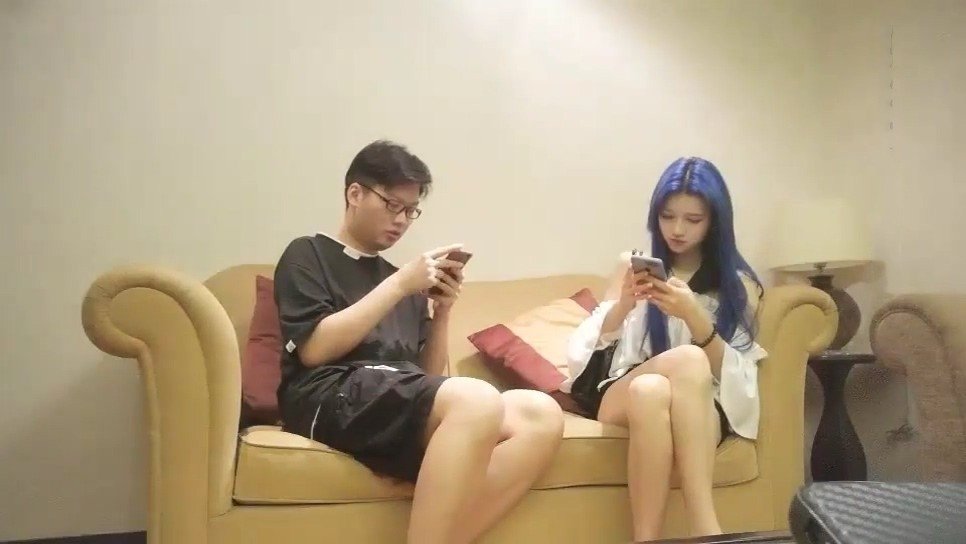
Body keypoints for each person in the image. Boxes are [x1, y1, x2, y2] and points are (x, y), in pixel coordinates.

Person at [274, 140, 564, 544]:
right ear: (354, 194)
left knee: (540, 413)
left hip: (393, 398)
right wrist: (398, 285)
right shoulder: (308, 254)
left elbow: (428, 378)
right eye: (392, 205)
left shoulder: (406, 280)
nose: (402, 221)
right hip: (329, 393)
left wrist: (441, 311)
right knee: (477, 399)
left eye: (410, 211)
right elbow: (314, 350)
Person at [562, 157, 766, 541]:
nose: (677, 229)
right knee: (677, 365)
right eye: (667, 216)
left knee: (652, 390)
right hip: (618, 391)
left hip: (695, 403)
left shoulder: (737, 285)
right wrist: (623, 304)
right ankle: (707, 531)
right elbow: (586, 355)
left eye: (693, 219)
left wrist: (695, 317)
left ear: (714, 222)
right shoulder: (632, 265)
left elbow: (739, 380)